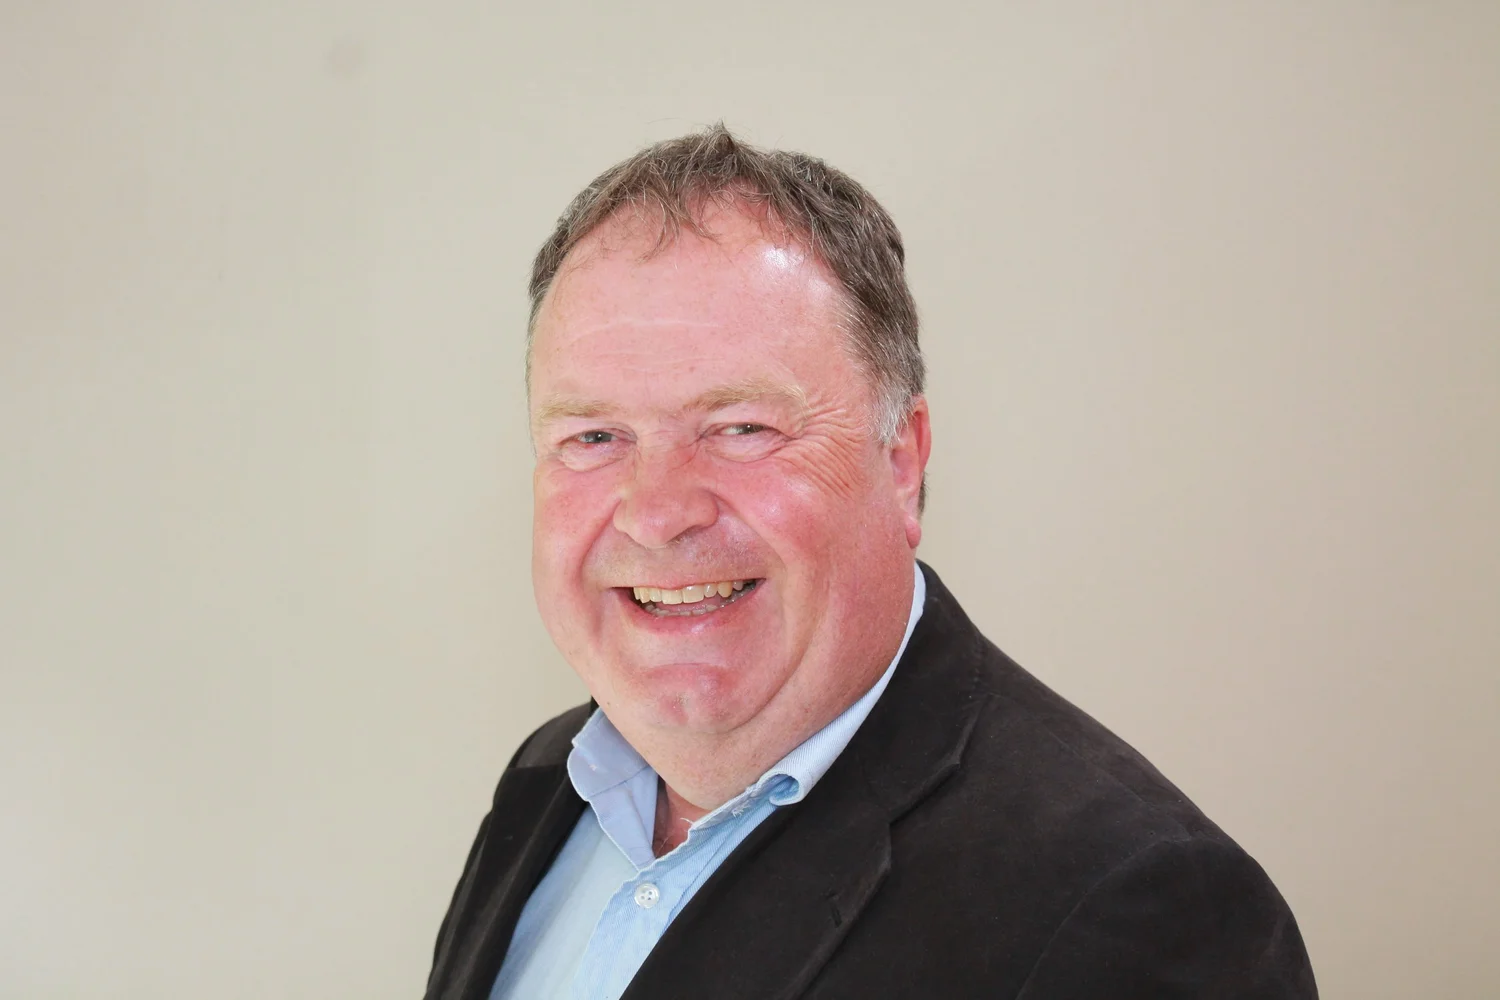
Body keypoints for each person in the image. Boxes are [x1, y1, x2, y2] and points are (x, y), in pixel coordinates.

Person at [424, 125, 1317, 1000]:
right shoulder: (548, 783)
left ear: (902, 460)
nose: (657, 514)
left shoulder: (1136, 912)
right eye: (593, 436)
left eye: (741, 427)